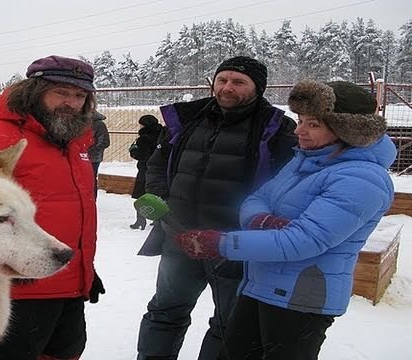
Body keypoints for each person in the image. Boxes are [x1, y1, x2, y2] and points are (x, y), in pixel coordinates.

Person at [174, 80, 395, 360]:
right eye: (300, 120)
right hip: (261, 285)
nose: (299, 130)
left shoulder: (361, 179)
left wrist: (221, 244)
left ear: (347, 130)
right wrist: (261, 220)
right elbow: (255, 199)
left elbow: (302, 241)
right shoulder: (306, 160)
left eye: (313, 124)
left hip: (302, 298)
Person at [136, 56, 298, 360]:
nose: (227, 88)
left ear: (257, 88)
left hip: (234, 246)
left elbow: (285, 184)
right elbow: (155, 165)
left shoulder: (277, 128)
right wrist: (162, 202)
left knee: (228, 324)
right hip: (179, 237)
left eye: (238, 82)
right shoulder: (187, 118)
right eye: (222, 80)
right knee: (164, 311)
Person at [0, 55, 105, 360]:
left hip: (69, 286)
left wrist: (87, 270)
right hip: (12, 296)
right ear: (34, 91)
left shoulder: (74, 144)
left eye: (79, 96)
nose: (70, 103)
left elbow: (72, 215)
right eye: (61, 92)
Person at [129, 114, 163, 230]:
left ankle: (140, 221)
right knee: (157, 195)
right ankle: (158, 219)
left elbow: (142, 155)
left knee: (141, 196)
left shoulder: (144, 138)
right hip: (159, 170)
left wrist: (133, 151)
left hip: (145, 170)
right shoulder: (162, 134)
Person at [88, 110, 110, 197]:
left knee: (91, 179)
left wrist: (90, 150)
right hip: (78, 157)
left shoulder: (99, 124)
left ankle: (91, 199)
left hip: (93, 158)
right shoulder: (79, 122)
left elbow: (105, 142)